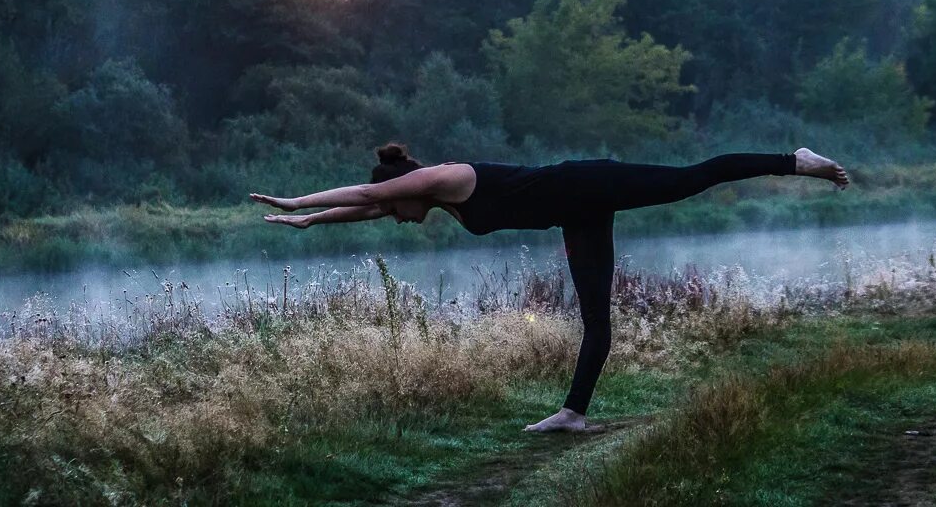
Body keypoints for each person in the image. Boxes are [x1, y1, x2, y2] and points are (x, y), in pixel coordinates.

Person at [250, 143, 849, 432]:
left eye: (396, 204)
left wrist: (295, 198)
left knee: (694, 178)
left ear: (404, 187)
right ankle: (574, 414)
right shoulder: (429, 198)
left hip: (592, 182)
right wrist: (308, 222)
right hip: (579, 214)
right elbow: (367, 209)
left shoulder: (447, 178)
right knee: (596, 320)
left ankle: (793, 160)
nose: (398, 218)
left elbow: (367, 196)